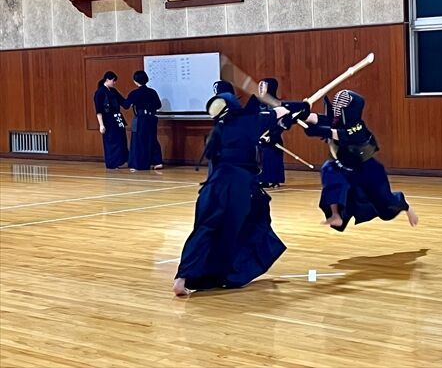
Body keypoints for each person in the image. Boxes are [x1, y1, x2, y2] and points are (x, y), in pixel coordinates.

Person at [172, 92, 308, 296]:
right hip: (239, 187)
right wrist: (303, 104)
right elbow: (284, 111)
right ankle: (231, 272)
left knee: (204, 230)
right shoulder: (250, 121)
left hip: (213, 187)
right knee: (250, 224)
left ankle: (182, 278)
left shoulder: (217, 131)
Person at [303, 89, 419, 231]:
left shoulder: (357, 128)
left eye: (342, 105)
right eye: (337, 103)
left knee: (385, 208)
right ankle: (336, 215)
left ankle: (404, 204)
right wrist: (301, 111)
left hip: (368, 170)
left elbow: (335, 133)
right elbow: (314, 118)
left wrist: (316, 130)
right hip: (344, 168)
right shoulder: (335, 121)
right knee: (330, 170)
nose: (338, 107)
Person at [122, 70, 163, 171]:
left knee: (139, 141)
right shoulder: (152, 92)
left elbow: (126, 105)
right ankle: (157, 162)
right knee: (152, 139)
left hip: (141, 118)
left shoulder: (135, 93)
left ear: (135, 81)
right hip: (152, 118)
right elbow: (158, 105)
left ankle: (139, 165)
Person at [93, 71, 128, 169]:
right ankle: (112, 163)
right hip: (108, 119)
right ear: (107, 79)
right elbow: (99, 110)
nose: (114, 83)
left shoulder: (113, 91)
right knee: (111, 141)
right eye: (113, 80)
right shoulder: (99, 92)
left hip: (118, 118)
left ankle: (121, 160)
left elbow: (124, 102)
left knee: (121, 139)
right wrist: (101, 125)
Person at [257, 78, 285, 188]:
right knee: (260, 158)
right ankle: (262, 180)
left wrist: (272, 135)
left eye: (263, 86)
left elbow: (282, 123)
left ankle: (274, 180)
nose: (260, 88)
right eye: (260, 86)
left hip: (273, 137)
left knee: (272, 157)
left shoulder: (277, 104)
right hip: (259, 137)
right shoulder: (257, 103)